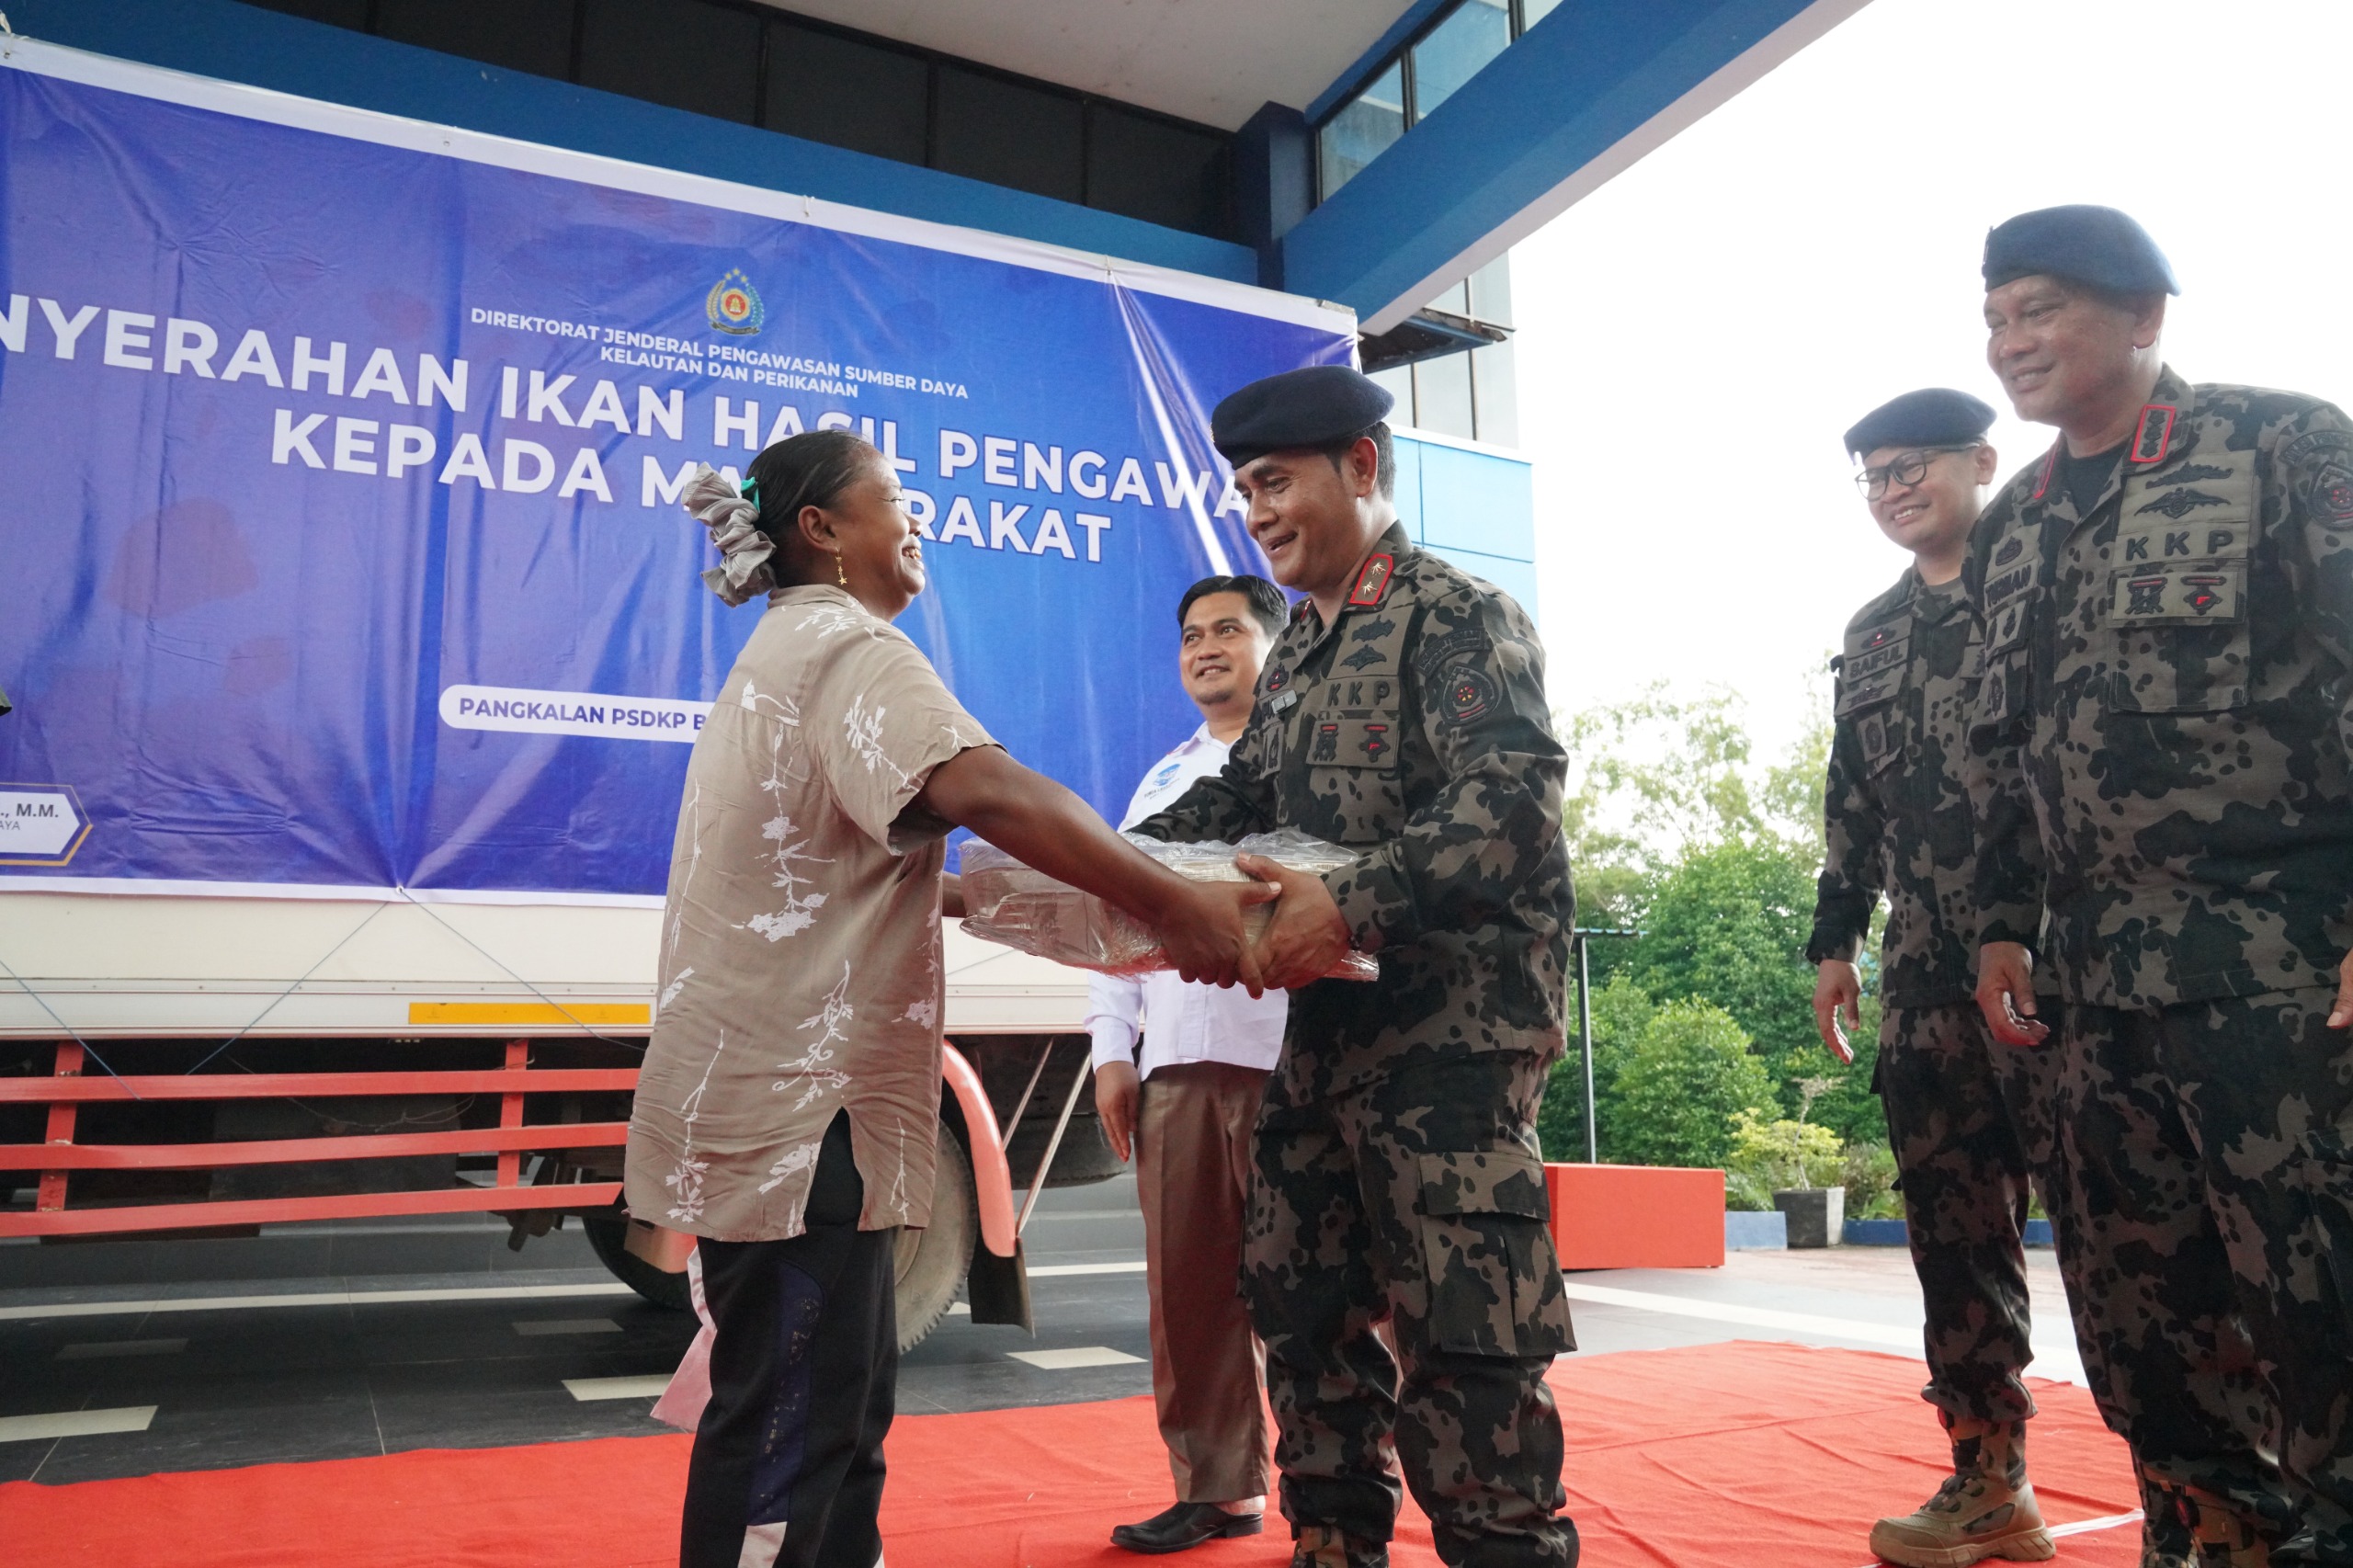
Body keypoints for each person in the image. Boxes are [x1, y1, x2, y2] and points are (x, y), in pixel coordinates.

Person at [623, 430, 1269, 1568]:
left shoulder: (788, 648)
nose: (917, 517)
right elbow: (991, 788)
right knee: (804, 1430)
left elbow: (875, 862)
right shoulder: (846, 646)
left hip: (782, 1103)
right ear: (821, 529)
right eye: (893, 498)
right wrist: (1179, 908)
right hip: (807, 1110)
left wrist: (995, 899)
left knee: (811, 1412)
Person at [1131, 364, 1579, 1568]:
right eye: (1243, 491)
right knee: (1299, 1296)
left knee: (1465, 1323)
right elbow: (1243, 796)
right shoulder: (1302, 653)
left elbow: (1512, 801)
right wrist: (1101, 867)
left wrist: (1351, 902)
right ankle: (1334, 1540)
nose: (1257, 511)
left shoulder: (1456, 613)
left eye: (1276, 481)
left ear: (1363, 467)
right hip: (1324, 1035)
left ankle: (1505, 1546)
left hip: (1456, 1039)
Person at [1964, 204, 2353, 1568]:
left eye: (2044, 308)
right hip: (2095, 994)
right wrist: (2001, 919)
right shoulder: (2013, 524)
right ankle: (2217, 1535)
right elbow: (2001, 748)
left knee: (2323, 1303)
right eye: (1998, 314)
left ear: (2146, 317)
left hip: (2281, 965)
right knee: (2144, 1322)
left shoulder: (2283, 446)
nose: (2012, 339)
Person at [1806, 388, 2063, 1568]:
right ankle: (1986, 1475)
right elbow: (1849, 805)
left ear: (1980, 461)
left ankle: (2216, 1486)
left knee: (2134, 1232)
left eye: (1913, 467)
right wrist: (1833, 943)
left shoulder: (2052, 583)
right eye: (1873, 475)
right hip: (1922, 980)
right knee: (1953, 1235)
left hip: (2071, 964)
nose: (1893, 488)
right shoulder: (1870, 634)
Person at [1089, 573, 1295, 1555]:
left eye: (1227, 630)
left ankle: (1351, 1476)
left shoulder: (1311, 759)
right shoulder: (1162, 780)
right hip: (1174, 1061)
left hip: (1294, 1059)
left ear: (1276, 645)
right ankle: (1217, 1486)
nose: (1205, 647)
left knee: (1319, 1280)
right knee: (1190, 1289)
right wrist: (1110, 1049)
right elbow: (1114, 921)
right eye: (1189, 636)